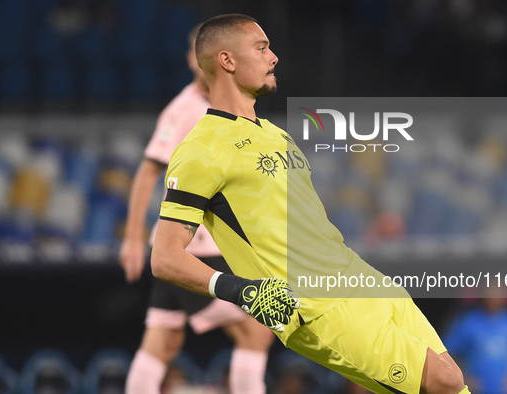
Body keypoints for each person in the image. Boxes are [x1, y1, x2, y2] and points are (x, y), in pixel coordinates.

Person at [151, 13, 471, 394]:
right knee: (444, 383)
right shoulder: (200, 150)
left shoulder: (276, 134)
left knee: (455, 384)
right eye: (261, 47)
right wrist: (242, 290)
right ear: (227, 61)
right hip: (316, 306)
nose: (274, 57)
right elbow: (165, 257)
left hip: (362, 280)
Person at [119, 25, 274, 394]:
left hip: (190, 244)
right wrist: (132, 237)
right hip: (196, 247)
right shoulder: (185, 109)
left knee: (162, 342)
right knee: (256, 331)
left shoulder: (230, 109)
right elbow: (147, 170)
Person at [442, 291, 507, 394]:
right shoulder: (467, 322)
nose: (493, 297)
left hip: (506, 390)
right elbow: (447, 353)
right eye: (490, 292)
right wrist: (463, 378)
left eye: (497, 292)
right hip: (475, 390)